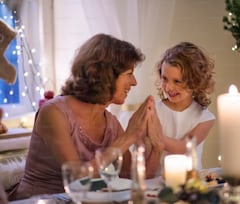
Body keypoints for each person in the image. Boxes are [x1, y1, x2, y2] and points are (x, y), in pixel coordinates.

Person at [8, 33, 163, 201]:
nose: (134, 82)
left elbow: (133, 180)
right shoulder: (54, 113)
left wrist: (157, 146)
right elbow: (78, 179)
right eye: (129, 73)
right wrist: (128, 138)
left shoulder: (111, 123)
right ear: (106, 75)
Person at [153, 42, 215, 170]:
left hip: (191, 183)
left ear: (196, 81)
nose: (169, 87)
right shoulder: (154, 110)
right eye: (165, 78)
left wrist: (155, 135)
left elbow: (182, 147)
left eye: (177, 81)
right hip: (158, 182)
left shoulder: (204, 118)